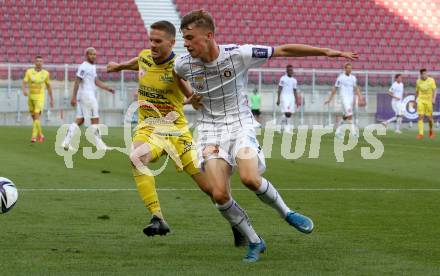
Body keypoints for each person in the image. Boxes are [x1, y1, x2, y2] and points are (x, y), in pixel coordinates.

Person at [173, 10, 358, 262]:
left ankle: (287, 213)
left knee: (250, 178)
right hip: (209, 131)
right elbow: (176, 75)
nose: (185, 43)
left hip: (240, 126)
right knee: (219, 194)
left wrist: (325, 51)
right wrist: (190, 98)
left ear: (209, 36)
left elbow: (283, 51)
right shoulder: (184, 63)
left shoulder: (239, 54)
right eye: (183, 38)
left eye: (190, 37)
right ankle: (255, 241)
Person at [106, 21, 246, 245]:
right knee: (136, 157)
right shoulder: (144, 56)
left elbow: (192, 88)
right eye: (151, 40)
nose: (152, 45)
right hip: (149, 129)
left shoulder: (180, 66)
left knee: (211, 188)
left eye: (158, 41)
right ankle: (157, 217)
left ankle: (238, 222)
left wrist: (193, 99)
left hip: (177, 133)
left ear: (171, 43)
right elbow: (138, 62)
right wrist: (119, 66)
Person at [62, 47, 114, 150]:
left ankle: (66, 142)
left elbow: (96, 81)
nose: (93, 56)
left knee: (80, 119)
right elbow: (77, 81)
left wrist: (107, 88)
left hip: (84, 96)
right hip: (87, 95)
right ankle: (100, 145)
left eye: (95, 54)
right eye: (91, 54)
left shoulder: (92, 66)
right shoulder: (84, 66)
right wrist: (73, 97)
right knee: (95, 118)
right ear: (86, 55)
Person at [325, 62, 364, 138]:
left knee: (345, 116)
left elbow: (356, 88)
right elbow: (335, 88)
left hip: (350, 99)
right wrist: (329, 99)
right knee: (350, 115)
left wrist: (360, 96)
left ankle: (337, 132)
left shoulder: (353, 78)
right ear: (345, 69)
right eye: (348, 68)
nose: (350, 70)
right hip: (344, 98)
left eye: (351, 68)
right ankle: (354, 133)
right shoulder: (340, 78)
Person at [22, 55, 54, 143]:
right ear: (35, 62)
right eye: (37, 61)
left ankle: (33, 136)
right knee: (34, 119)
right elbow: (24, 82)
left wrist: (51, 99)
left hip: (40, 97)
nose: (39, 63)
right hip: (31, 97)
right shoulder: (29, 72)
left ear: (42, 63)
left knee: (36, 115)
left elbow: (49, 86)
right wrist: (24, 90)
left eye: (40, 61)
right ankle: (41, 134)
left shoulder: (46, 73)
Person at [276, 65, 300, 132]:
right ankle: (287, 129)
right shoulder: (283, 78)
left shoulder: (294, 80)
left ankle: (280, 126)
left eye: (292, 70)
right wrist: (278, 99)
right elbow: (279, 88)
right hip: (284, 96)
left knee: (289, 113)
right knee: (287, 113)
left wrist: (297, 100)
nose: (291, 71)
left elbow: (295, 90)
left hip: (291, 97)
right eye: (289, 70)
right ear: (287, 71)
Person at [415, 68, 437, 139]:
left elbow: (435, 90)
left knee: (430, 118)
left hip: (429, 101)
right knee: (420, 116)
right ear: (421, 74)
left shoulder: (431, 80)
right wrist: (414, 100)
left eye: (426, 73)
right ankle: (421, 134)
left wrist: (433, 99)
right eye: (423, 74)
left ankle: (431, 131)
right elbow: (417, 92)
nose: (425, 75)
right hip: (421, 100)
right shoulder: (418, 81)